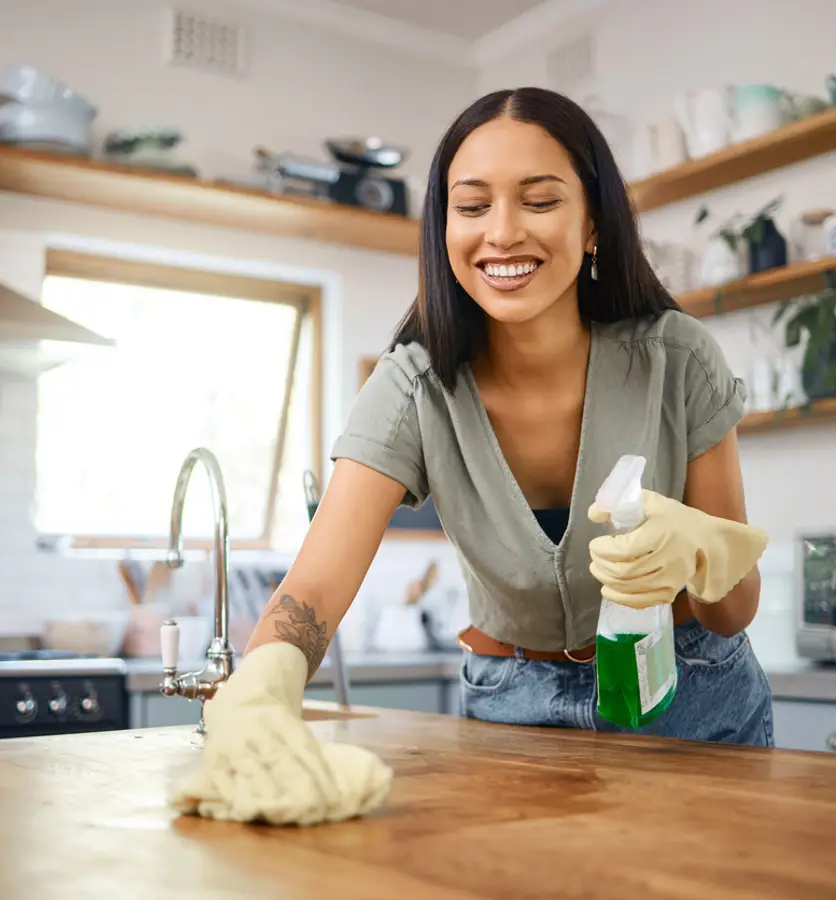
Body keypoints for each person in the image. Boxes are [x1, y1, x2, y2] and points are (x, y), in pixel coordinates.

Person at [172, 87, 771, 826]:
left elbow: (733, 611)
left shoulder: (679, 360)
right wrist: (262, 686)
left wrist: (703, 552)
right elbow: (315, 589)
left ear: (593, 225)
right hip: (511, 716)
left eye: (540, 200)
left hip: (697, 706)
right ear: (444, 228)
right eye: (473, 205)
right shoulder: (412, 387)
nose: (504, 233)